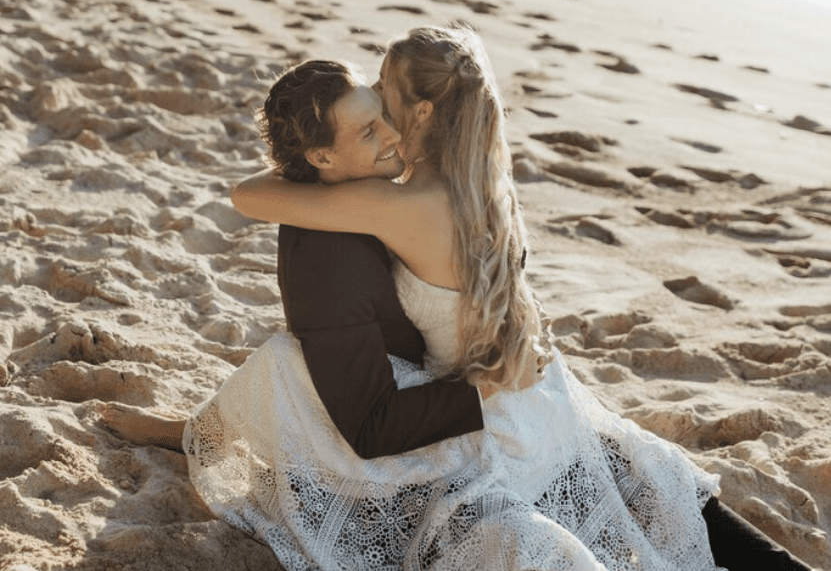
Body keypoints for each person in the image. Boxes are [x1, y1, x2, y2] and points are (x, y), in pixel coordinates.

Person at [106, 28, 814, 570]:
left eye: (383, 94)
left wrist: (313, 161)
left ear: (417, 108)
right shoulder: (482, 179)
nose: (379, 107)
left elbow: (250, 196)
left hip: (487, 413)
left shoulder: (395, 203)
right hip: (542, 392)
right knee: (649, 472)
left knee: (291, 370)